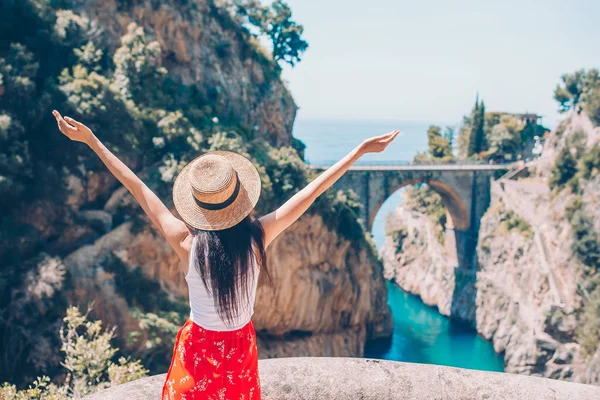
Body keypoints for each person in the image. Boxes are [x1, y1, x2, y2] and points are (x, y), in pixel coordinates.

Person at [52, 110, 399, 399]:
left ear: (198, 208)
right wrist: (358, 152)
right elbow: (310, 193)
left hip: (198, 349)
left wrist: (92, 141)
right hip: (239, 351)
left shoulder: (187, 244)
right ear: (239, 201)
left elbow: (137, 187)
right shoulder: (257, 238)